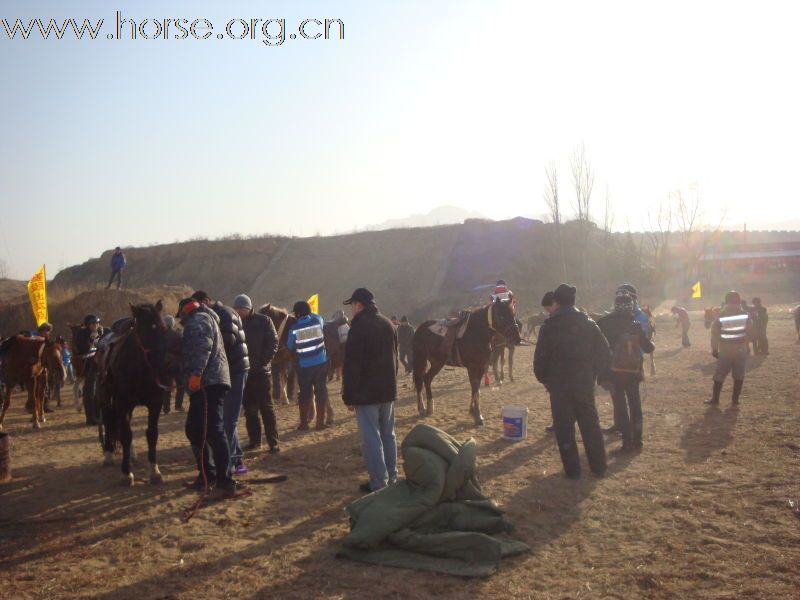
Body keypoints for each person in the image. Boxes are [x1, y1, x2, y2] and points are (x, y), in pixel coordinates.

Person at [534, 284, 609, 479]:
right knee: (590, 424)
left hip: (559, 385)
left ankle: (573, 470)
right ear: (574, 301)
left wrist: (545, 379)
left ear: (556, 302)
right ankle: (599, 466)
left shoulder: (549, 327)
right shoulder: (589, 323)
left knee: (564, 427)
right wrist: (594, 373)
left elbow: (540, 359)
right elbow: (604, 351)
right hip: (583, 382)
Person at [177, 297, 239, 494]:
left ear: (186, 311)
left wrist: (196, 374)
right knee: (197, 429)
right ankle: (209, 475)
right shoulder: (205, 319)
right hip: (209, 382)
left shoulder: (198, 321)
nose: (180, 321)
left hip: (206, 383)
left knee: (212, 430)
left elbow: (202, 347)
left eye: (181, 317)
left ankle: (224, 480)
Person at [341, 287, 399, 493]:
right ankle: (392, 477)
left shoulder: (358, 327)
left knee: (371, 439)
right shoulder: (388, 324)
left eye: (352, 306)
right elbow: (396, 359)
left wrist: (349, 396)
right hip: (388, 390)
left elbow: (352, 365)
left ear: (358, 305)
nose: (351, 311)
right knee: (388, 435)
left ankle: (378, 482)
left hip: (367, 394)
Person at [192, 291, 250, 473]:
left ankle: (229, 466)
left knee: (229, 421)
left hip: (235, 370)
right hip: (229, 370)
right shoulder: (219, 314)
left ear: (207, 301)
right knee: (226, 419)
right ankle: (237, 459)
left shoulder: (224, 314)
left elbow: (227, 341)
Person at [597, 293, 655, 452]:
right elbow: (649, 348)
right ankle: (638, 440)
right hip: (633, 371)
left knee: (620, 406)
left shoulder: (604, 323)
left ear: (615, 305)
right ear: (632, 306)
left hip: (613, 371)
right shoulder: (635, 324)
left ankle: (627, 442)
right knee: (635, 404)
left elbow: (598, 349)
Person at [233, 294, 280, 454]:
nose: (238, 311)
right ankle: (255, 441)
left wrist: (263, 362)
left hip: (261, 373)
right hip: (244, 373)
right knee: (250, 410)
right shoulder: (235, 323)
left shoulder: (264, 321)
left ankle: (273, 442)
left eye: (241, 308)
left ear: (248, 307)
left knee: (266, 408)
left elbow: (273, 343)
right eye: (236, 308)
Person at [287, 300, 330, 430]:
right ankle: (320, 423)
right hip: (321, 364)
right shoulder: (317, 322)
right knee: (321, 391)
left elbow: (290, 345)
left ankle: (304, 423)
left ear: (298, 314)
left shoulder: (294, 329)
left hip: (304, 366)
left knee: (305, 394)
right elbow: (319, 317)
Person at [707, 291, 754, 406]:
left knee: (720, 374)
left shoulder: (721, 315)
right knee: (739, 375)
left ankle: (715, 399)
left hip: (725, 349)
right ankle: (735, 400)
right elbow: (749, 333)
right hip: (741, 348)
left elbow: (715, 334)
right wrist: (747, 347)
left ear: (726, 301)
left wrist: (714, 349)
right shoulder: (746, 314)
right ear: (739, 301)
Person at [75, 314, 102, 425]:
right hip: (88, 365)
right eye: (93, 323)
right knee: (90, 392)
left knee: (98, 392)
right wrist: (92, 339)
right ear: (88, 325)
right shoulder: (82, 334)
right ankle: (90, 418)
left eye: (97, 323)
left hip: (98, 365)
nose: (95, 325)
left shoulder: (99, 332)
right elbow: (82, 349)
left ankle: (97, 415)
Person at [538, 292, 559, 434]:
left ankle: (560, 422)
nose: (547, 312)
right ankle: (557, 421)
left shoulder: (551, 325)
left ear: (555, 304)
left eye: (548, 308)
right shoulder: (550, 322)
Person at [162, 315, 183, 415]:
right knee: (181, 385)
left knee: (167, 386)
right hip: (178, 363)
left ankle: (166, 408)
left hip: (166, 363)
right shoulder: (178, 334)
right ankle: (178, 405)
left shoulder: (160, 335)